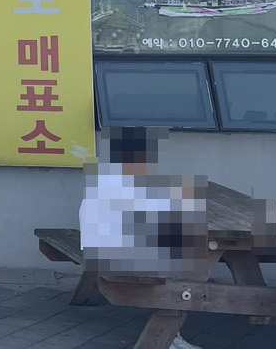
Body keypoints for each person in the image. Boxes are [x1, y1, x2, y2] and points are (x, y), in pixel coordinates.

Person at [79, 126, 206, 349]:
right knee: (183, 263)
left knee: (178, 249)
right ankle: (168, 335)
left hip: (99, 248)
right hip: (112, 255)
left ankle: (173, 332)